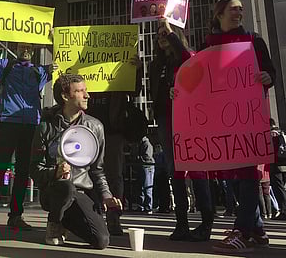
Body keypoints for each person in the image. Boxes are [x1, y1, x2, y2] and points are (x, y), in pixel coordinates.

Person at [184, 0, 275, 253]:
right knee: (235, 175)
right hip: (220, 120)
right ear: (219, 14)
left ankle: (242, 232)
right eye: (233, 8)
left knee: (247, 173)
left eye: (241, 9)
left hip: (247, 117)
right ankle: (257, 229)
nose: (239, 12)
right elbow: (196, 77)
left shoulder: (254, 40)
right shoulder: (208, 45)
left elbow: (271, 72)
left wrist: (268, 77)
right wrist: (178, 90)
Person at [0, 22, 57, 231]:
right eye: (21, 46)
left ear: (33, 50)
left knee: (23, 172)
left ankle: (15, 216)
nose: (25, 50)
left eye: (29, 47)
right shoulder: (5, 65)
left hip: (30, 127)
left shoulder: (40, 71)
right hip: (8, 124)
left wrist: (55, 44)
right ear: (16, 48)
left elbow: (65, 66)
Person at [30, 74, 122, 248]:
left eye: (86, 91)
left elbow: (97, 170)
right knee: (66, 186)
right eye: (81, 91)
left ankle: (67, 220)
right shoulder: (46, 127)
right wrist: (54, 172)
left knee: (101, 241)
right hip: (54, 190)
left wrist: (106, 196)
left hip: (81, 193)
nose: (88, 95)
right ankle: (55, 222)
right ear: (65, 96)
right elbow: (34, 169)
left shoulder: (95, 127)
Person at [149, 18, 214, 242]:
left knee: (196, 169)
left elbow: (189, 60)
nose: (161, 37)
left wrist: (171, 34)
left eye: (165, 33)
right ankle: (182, 224)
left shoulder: (188, 57)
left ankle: (206, 223)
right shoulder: (156, 64)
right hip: (166, 119)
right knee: (174, 170)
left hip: (189, 119)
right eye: (158, 35)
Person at [86, 55, 145, 235]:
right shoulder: (85, 68)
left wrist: (138, 70)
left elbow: (134, 92)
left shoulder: (119, 68)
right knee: (87, 175)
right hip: (88, 129)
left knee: (114, 175)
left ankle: (113, 218)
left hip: (113, 130)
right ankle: (92, 216)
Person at [269, 118, 286, 220]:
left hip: (276, 164)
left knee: (278, 188)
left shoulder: (272, 134)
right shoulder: (280, 133)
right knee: (281, 188)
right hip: (282, 164)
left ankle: (283, 210)